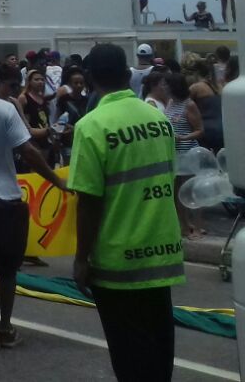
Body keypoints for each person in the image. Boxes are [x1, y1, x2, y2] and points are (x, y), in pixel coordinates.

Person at [69, 44, 183, 382]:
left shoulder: (91, 127)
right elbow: (170, 181)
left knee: (130, 357)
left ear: (89, 79)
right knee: (160, 349)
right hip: (161, 252)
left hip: (118, 262)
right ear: (126, 75)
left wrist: (81, 258)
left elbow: (88, 201)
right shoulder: (159, 120)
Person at [0, 58, 67, 351]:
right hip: (6, 201)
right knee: (8, 271)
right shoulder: (3, 109)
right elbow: (28, 151)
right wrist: (57, 181)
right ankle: (6, 327)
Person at [161, 73, 205, 240]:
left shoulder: (189, 105)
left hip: (188, 152)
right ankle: (185, 226)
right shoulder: (171, 103)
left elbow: (200, 130)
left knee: (192, 191)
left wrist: (183, 137)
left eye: (166, 85)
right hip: (174, 152)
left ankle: (199, 228)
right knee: (177, 192)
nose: (164, 88)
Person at [17, 68, 56, 170]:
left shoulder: (42, 97)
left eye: (42, 80)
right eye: (36, 79)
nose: (40, 82)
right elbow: (24, 125)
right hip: (33, 143)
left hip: (46, 141)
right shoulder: (23, 98)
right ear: (29, 82)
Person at [184, 55, 223, 151]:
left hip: (206, 131)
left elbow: (183, 104)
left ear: (196, 73)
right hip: (221, 128)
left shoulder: (195, 87)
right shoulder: (217, 86)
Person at [51, 66, 89, 164]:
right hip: (67, 142)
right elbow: (57, 119)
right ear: (70, 84)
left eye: (81, 83)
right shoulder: (64, 100)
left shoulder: (87, 101)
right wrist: (56, 138)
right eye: (76, 83)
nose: (79, 85)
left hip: (84, 140)